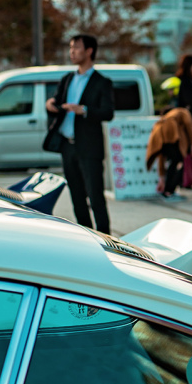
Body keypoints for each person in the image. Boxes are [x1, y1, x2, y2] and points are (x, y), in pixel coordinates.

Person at [44, 34, 114, 234]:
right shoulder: (67, 79)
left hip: (89, 147)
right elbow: (57, 102)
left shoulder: (102, 82)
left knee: (95, 197)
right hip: (67, 145)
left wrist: (84, 109)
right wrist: (50, 105)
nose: (71, 52)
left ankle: (106, 240)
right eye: (71, 48)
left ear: (89, 51)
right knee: (76, 197)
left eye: (76, 48)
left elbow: (108, 112)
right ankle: (87, 237)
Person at [145, 107, 192, 202]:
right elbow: (190, 126)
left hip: (157, 134)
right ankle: (169, 191)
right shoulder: (182, 111)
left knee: (174, 162)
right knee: (178, 163)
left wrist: (162, 178)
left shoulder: (162, 122)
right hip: (172, 135)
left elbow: (161, 157)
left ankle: (167, 191)